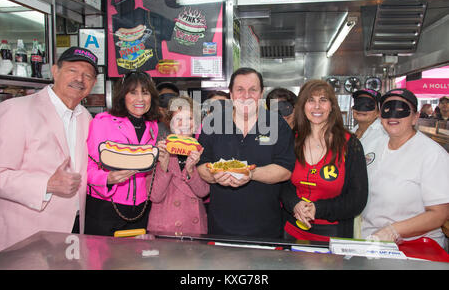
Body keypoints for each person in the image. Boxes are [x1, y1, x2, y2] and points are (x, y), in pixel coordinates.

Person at [0, 47, 98, 250]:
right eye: (72, 70)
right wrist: (47, 184)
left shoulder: (86, 117)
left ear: (93, 84)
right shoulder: (16, 110)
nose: (80, 79)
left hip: (73, 232)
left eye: (87, 75)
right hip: (27, 235)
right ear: (55, 71)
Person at [197, 67, 296, 238]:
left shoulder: (278, 125)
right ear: (231, 93)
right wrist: (214, 175)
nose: (246, 96)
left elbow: (285, 169)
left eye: (253, 90)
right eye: (240, 90)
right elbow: (201, 164)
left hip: (266, 228)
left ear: (261, 93)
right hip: (220, 227)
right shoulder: (212, 123)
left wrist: (250, 173)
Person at [280, 79, 368, 242]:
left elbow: (357, 199)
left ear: (332, 106)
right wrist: (295, 203)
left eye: (323, 100)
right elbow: (283, 184)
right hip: (291, 232)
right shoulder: (292, 140)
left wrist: (317, 209)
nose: (317, 106)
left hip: (333, 234)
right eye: (310, 100)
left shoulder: (350, 144)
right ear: (302, 106)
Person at [361, 88, 449, 249]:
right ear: (380, 116)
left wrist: (393, 230)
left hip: (416, 247)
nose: (393, 116)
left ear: (415, 117)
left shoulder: (432, 155)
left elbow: (439, 214)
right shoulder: (371, 146)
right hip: (370, 242)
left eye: (402, 110)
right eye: (387, 110)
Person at [85, 71, 167, 236]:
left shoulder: (152, 126)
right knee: (103, 261)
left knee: (137, 260)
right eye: (133, 92)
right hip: (106, 207)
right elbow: (87, 166)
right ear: (123, 96)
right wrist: (107, 179)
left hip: (141, 209)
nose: (140, 99)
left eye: (145, 93)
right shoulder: (102, 123)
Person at [148, 96, 209, 235]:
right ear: (170, 123)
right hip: (165, 227)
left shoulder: (202, 150)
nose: (184, 124)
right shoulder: (159, 149)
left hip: (194, 227)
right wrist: (164, 166)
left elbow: (203, 192)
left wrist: (190, 170)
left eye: (190, 118)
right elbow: (155, 196)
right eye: (178, 119)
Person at [350, 88, 388, 238]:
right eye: (358, 104)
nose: (361, 108)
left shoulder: (384, 135)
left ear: (378, 111)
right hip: (356, 206)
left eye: (368, 105)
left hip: (375, 211)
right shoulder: (352, 133)